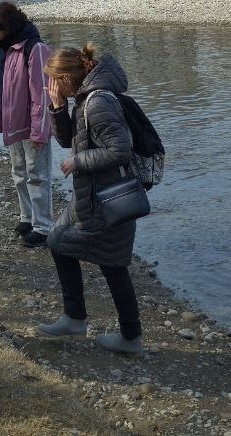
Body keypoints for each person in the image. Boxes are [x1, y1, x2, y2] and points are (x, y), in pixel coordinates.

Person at [37, 44, 143, 354]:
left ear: (68, 77)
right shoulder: (84, 98)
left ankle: (129, 336)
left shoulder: (97, 102)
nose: (52, 86)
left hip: (107, 198)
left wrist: (78, 162)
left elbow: (119, 150)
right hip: (90, 196)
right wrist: (56, 108)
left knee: (112, 263)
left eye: (54, 80)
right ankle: (75, 318)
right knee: (58, 241)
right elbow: (72, 139)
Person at [0, 1, 53, 247]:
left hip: (32, 125)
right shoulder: (2, 48)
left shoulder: (35, 48)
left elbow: (42, 95)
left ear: (7, 26)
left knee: (37, 175)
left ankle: (43, 227)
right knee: (19, 173)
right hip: (13, 124)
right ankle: (27, 217)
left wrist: (39, 130)